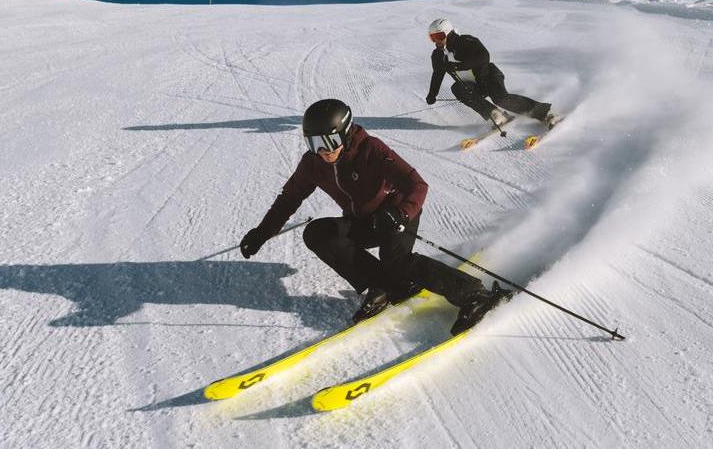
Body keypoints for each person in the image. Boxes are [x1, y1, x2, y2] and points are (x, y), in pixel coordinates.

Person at [239, 98, 505, 334]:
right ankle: (385, 286)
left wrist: (401, 213)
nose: (323, 151)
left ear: (344, 134)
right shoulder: (313, 163)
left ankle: (474, 295)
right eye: (314, 144)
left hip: (396, 214)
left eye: (329, 142)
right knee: (318, 234)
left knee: (397, 260)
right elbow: (289, 198)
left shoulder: (371, 149)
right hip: (362, 221)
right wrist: (262, 232)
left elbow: (417, 185)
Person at [424, 18, 561, 129]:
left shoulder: (465, 41)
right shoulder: (438, 56)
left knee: (501, 99)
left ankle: (546, 114)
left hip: (489, 76)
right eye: (432, 37)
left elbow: (483, 56)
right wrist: (432, 94)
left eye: (439, 36)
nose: (436, 40)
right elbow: (438, 74)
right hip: (474, 86)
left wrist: (460, 65)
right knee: (457, 88)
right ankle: (497, 115)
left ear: (448, 33)